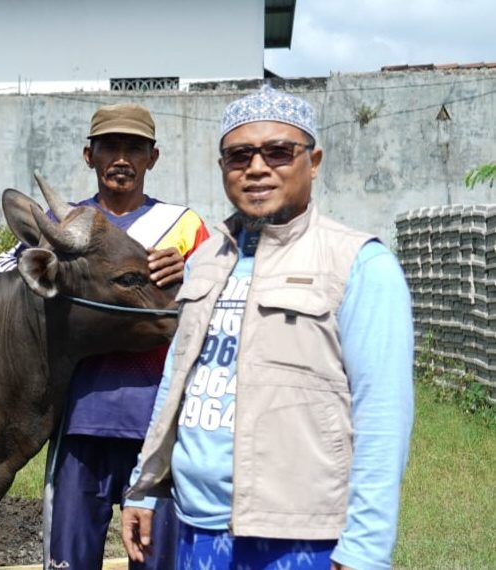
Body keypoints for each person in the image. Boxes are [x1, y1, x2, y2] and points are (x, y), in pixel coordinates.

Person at [121, 86, 414, 570]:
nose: (257, 167)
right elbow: (178, 380)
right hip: (198, 527)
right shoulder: (206, 259)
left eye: (278, 152)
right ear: (222, 167)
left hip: (301, 537)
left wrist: (365, 551)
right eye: (239, 156)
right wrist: (145, 486)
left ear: (313, 160)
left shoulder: (359, 264)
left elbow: (382, 414)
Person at [0, 103, 209, 570]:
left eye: (135, 148)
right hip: (77, 419)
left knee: (158, 561)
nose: (122, 158)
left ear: (154, 157)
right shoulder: (64, 223)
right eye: (110, 146)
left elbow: (223, 295)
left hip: (158, 423)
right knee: (68, 562)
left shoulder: (184, 226)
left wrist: (190, 270)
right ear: (89, 156)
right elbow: (4, 275)